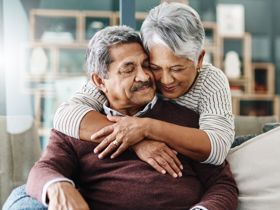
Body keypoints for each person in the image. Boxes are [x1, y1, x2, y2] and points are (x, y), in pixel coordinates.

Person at [4, 26, 238, 210]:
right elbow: (43, 169)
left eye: (146, 65)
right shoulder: (78, 125)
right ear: (99, 81)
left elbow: (222, 184)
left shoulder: (184, 120)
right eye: (128, 69)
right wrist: (58, 187)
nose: (144, 76)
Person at [53, 2, 234, 177]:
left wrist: (147, 128)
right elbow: (65, 115)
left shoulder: (211, 81)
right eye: (154, 67)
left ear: (200, 59)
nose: (165, 80)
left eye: (177, 69)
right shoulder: (137, 77)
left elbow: (217, 148)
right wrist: (138, 141)